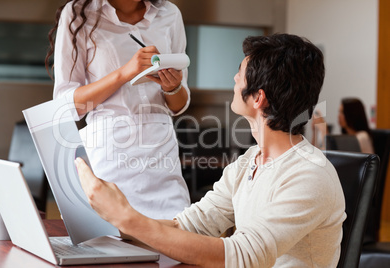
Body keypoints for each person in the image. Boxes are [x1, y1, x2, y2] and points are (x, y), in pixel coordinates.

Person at [75, 33, 346, 267]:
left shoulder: (310, 175)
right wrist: (113, 222)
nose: (234, 78)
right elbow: (190, 226)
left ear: (258, 97)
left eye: (240, 73)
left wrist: (127, 217)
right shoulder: (249, 162)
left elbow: (242, 256)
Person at [45, 0, 191, 219]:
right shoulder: (77, 14)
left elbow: (179, 105)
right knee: (114, 244)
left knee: (176, 241)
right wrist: (124, 73)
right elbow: (66, 107)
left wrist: (173, 86)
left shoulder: (170, 13)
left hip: (162, 160)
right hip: (110, 160)